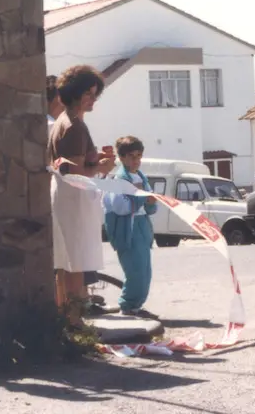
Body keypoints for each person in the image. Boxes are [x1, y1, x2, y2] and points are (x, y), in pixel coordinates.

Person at [47, 65, 116, 327]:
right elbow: (76, 172)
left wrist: (94, 160)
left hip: (64, 196)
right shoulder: (75, 126)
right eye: (87, 93)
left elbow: (68, 163)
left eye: (95, 93)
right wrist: (102, 167)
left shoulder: (62, 122)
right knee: (75, 263)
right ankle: (75, 324)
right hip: (74, 198)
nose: (92, 98)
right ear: (73, 93)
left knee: (65, 264)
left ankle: (66, 320)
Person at [103, 136, 159, 318]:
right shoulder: (118, 180)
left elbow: (149, 207)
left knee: (145, 270)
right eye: (131, 156)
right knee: (134, 269)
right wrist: (143, 197)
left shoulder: (141, 176)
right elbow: (120, 207)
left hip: (142, 226)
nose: (136, 160)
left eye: (139, 156)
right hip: (127, 230)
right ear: (121, 157)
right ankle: (127, 306)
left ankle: (136, 306)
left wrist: (151, 201)